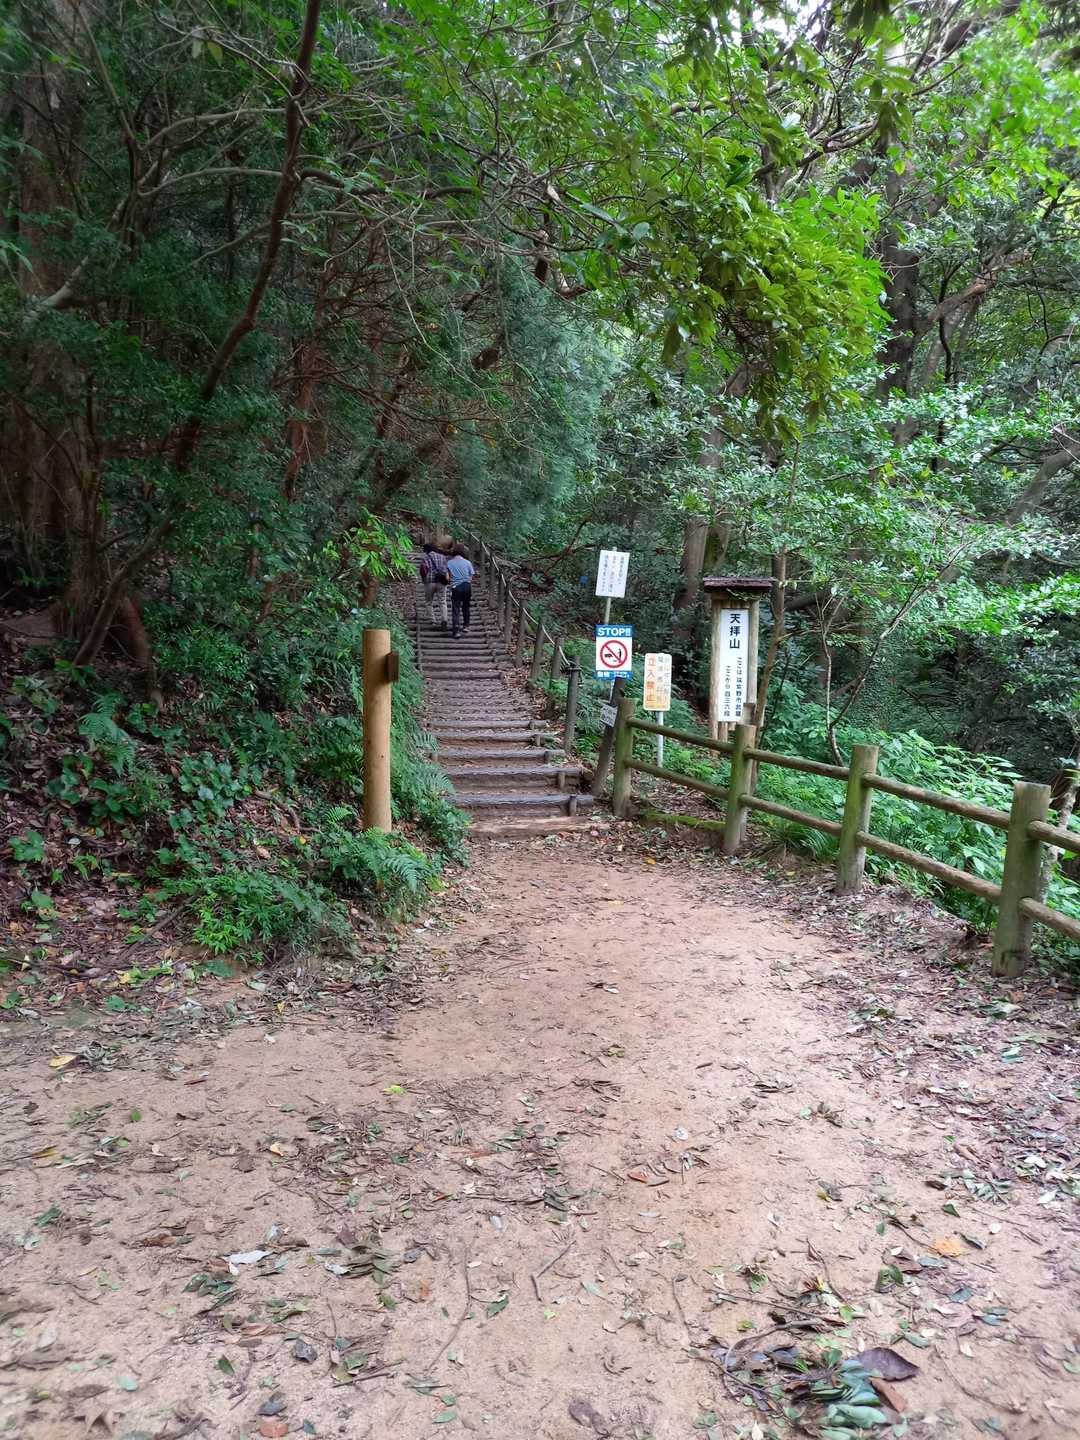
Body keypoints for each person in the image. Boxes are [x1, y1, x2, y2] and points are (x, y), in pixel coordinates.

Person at [419, 541, 450, 629]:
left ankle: (433, 620)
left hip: (430, 582)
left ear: (426, 550)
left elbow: (423, 571)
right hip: (441, 581)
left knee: (429, 602)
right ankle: (444, 620)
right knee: (442, 601)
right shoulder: (442, 557)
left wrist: (424, 580)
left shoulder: (425, 558)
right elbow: (446, 569)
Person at [447, 542, 475, 638]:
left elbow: (448, 577)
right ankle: (466, 626)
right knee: (466, 606)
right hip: (467, 586)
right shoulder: (468, 562)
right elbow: (471, 576)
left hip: (456, 587)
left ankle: (456, 630)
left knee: (456, 608)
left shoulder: (449, 563)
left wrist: (452, 581)